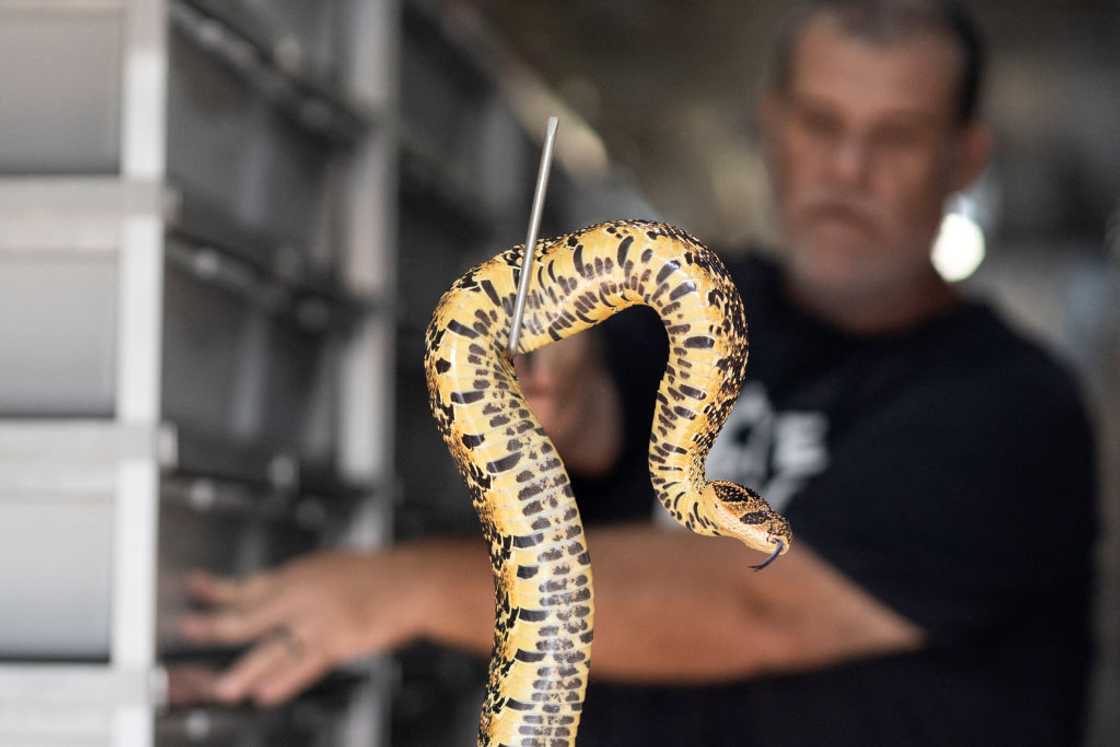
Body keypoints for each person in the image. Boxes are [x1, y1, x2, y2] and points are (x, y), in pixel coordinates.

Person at [179, 1, 1098, 744]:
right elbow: (602, 418)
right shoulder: (696, 300)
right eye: (822, 123)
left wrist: (407, 587)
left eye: (895, 136)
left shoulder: (1013, 411)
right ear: (773, 125)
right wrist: (567, 401)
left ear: (963, 157)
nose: (848, 168)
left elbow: (755, 604)